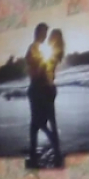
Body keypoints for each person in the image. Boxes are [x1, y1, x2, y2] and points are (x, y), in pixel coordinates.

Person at [25, 22, 55, 167]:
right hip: (37, 90)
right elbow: (35, 72)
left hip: (38, 89)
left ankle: (33, 150)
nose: (45, 36)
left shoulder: (37, 49)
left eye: (45, 34)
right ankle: (52, 141)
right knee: (38, 122)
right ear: (38, 33)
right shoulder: (33, 49)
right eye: (43, 33)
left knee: (36, 123)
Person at [41, 28, 64, 164]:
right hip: (49, 89)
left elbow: (47, 72)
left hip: (47, 89)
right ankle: (56, 148)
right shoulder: (55, 52)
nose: (50, 38)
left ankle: (56, 147)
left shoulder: (53, 53)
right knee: (50, 121)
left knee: (43, 123)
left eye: (52, 36)